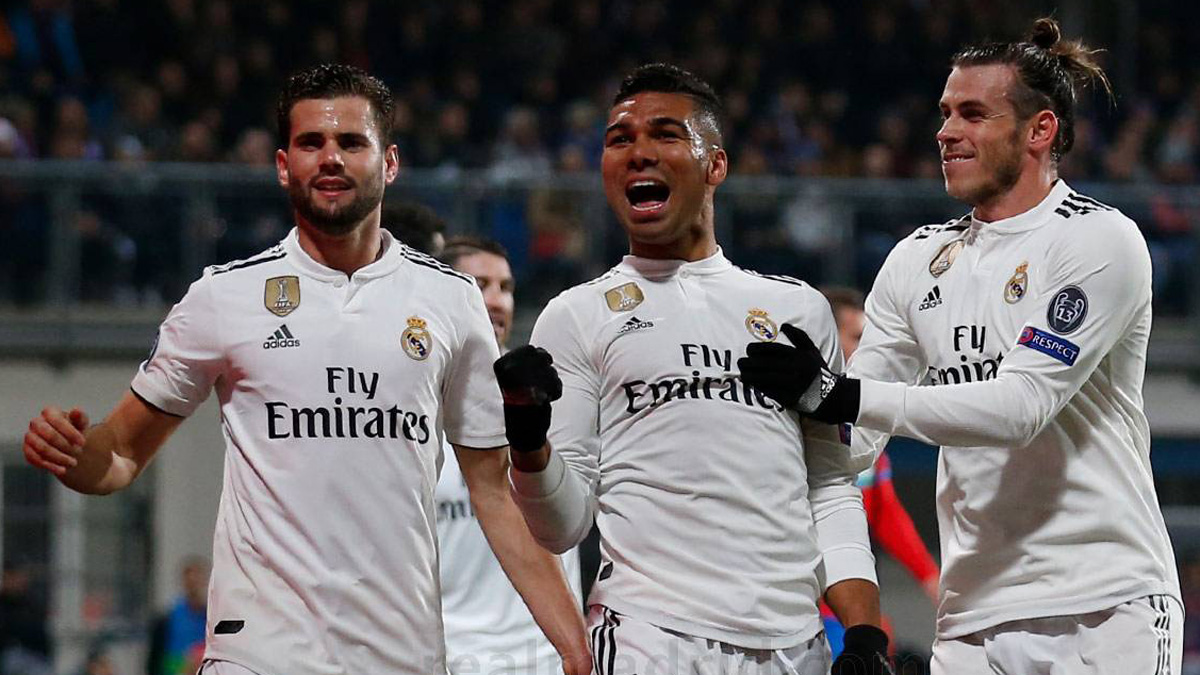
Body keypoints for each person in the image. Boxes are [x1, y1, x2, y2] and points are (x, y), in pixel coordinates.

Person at [22, 64, 589, 675]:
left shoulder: (451, 301)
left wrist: (575, 645)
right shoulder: (224, 297)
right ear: (282, 165)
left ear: (390, 162)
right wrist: (79, 457)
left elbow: (492, 491)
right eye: (311, 143)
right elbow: (122, 453)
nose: (330, 158)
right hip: (260, 652)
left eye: (351, 142)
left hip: (403, 653)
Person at [739, 19, 1183, 674]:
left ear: (1040, 131)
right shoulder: (918, 260)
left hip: (1105, 606)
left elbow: (1020, 407)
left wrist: (842, 393)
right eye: (946, 113)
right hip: (971, 614)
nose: (946, 132)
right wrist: (776, 416)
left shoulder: (1097, 241)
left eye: (972, 114)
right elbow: (855, 442)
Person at [495, 63, 892, 675]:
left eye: (664, 134)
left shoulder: (797, 309)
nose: (638, 153)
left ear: (716, 165)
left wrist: (864, 632)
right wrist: (527, 436)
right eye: (618, 139)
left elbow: (828, 487)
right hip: (650, 637)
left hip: (795, 643)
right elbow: (562, 525)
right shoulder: (575, 316)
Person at [435, 236, 583, 675]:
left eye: (506, 287)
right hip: (449, 657)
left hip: (549, 658)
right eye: (479, 284)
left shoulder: (552, 402)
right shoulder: (409, 411)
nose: (496, 301)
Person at [819, 288, 940, 659]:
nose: (867, 351)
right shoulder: (804, 422)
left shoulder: (864, 422)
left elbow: (885, 513)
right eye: (857, 338)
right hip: (813, 610)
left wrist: (931, 579)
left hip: (849, 608)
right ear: (826, 337)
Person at [146, 556, 209, 675]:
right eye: (190, 582)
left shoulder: (210, 618)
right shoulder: (167, 619)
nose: (194, 586)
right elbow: (155, 658)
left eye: (197, 581)